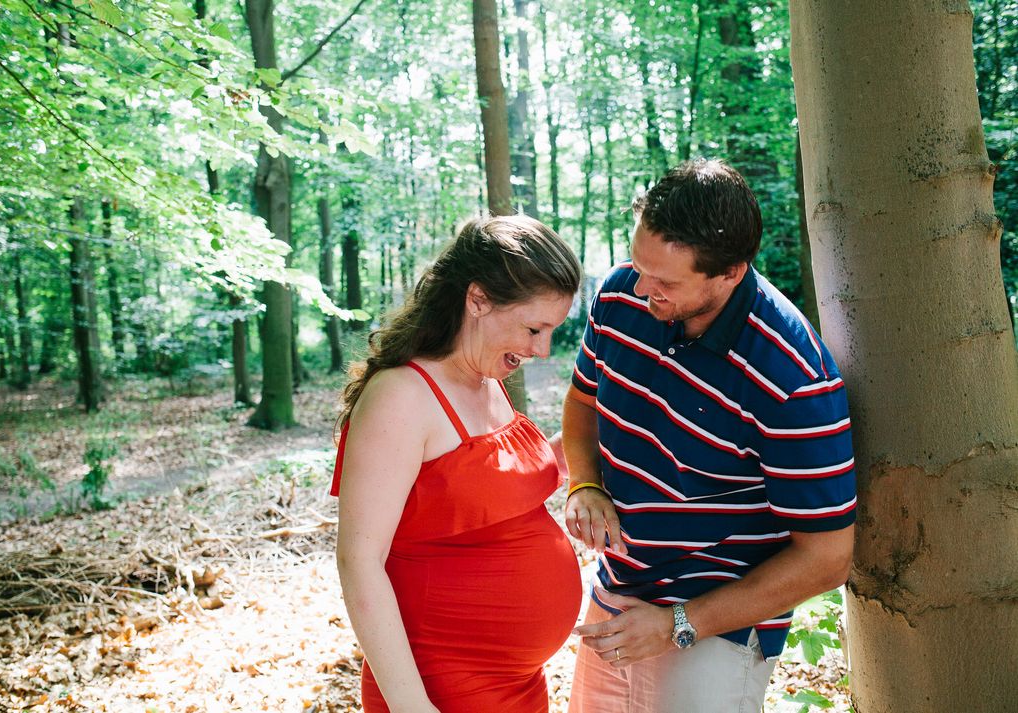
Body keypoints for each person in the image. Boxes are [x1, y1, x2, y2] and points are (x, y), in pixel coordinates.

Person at [561, 158, 857, 712]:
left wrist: (679, 623)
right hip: (619, 590)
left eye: (666, 281)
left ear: (730, 271)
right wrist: (584, 484)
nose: (641, 286)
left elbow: (827, 558)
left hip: (717, 617)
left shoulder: (790, 376)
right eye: (637, 262)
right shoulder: (622, 296)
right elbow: (582, 402)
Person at [332, 214, 584, 713]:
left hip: (518, 685)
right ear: (478, 300)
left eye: (551, 331)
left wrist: (598, 443)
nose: (541, 349)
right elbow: (358, 562)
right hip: (442, 685)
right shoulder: (400, 396)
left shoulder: (486, 380)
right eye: (534, 328)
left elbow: (495, 488)